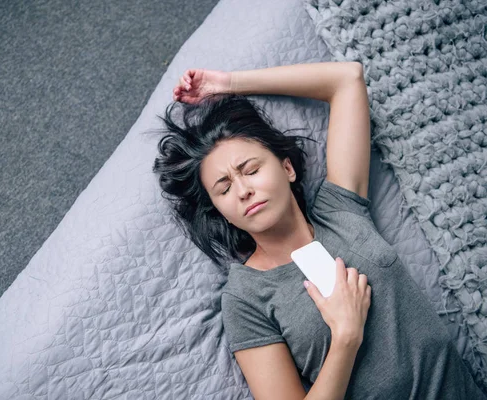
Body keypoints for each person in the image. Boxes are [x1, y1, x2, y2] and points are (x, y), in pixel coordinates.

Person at [151, 62, 487, 399]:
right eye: (224, 189)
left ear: (287, 168)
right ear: (221, 212)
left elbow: (346, 79)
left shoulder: (339, 210)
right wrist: (345, 335)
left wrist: (226, 83)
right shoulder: (245, 298)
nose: (242, 190)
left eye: (250, 170)